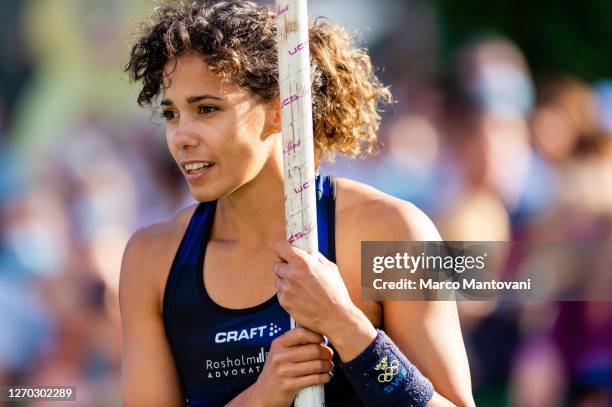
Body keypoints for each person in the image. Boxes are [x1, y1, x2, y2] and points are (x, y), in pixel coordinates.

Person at [120, 1, 474, 406]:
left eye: (206, 110)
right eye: (171, 114)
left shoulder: (391, 232)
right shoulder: (153, 260)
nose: (181, 136)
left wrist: (350, 330)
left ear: (278, 111)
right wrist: (265, 395)